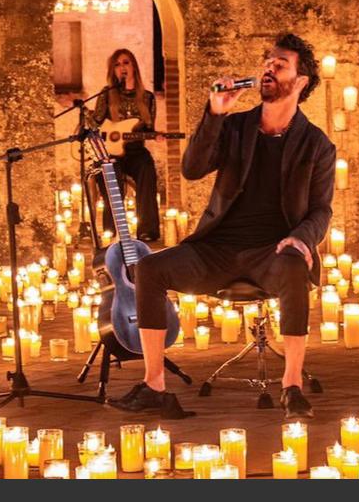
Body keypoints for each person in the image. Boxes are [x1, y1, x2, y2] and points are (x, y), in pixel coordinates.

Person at [109, 33, 336, 419]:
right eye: (267, 61)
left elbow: (321, 211)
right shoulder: (233, 127)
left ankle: (291, 385)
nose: (268, 67)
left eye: (280, 64)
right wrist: (214, 113)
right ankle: (154, 385)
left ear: (300, 82)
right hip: (216, 250)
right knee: (148, 268)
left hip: (273, 252)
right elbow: (192, 168)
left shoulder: (316, 145)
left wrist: (301, 239)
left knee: (297, 266)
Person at [90, 48, 161, 242]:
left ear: (134, 67)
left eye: (126, 62)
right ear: (113, 71)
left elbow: (148, 128)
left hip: (136, 150)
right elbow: (95, 123)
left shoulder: (147, 98)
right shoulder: (107, 95)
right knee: (111, 171)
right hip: (111, 152)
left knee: (147, 168)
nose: (122, 67)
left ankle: (147, 230)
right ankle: (111, 231)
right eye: (117, 64)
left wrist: (155, 135)